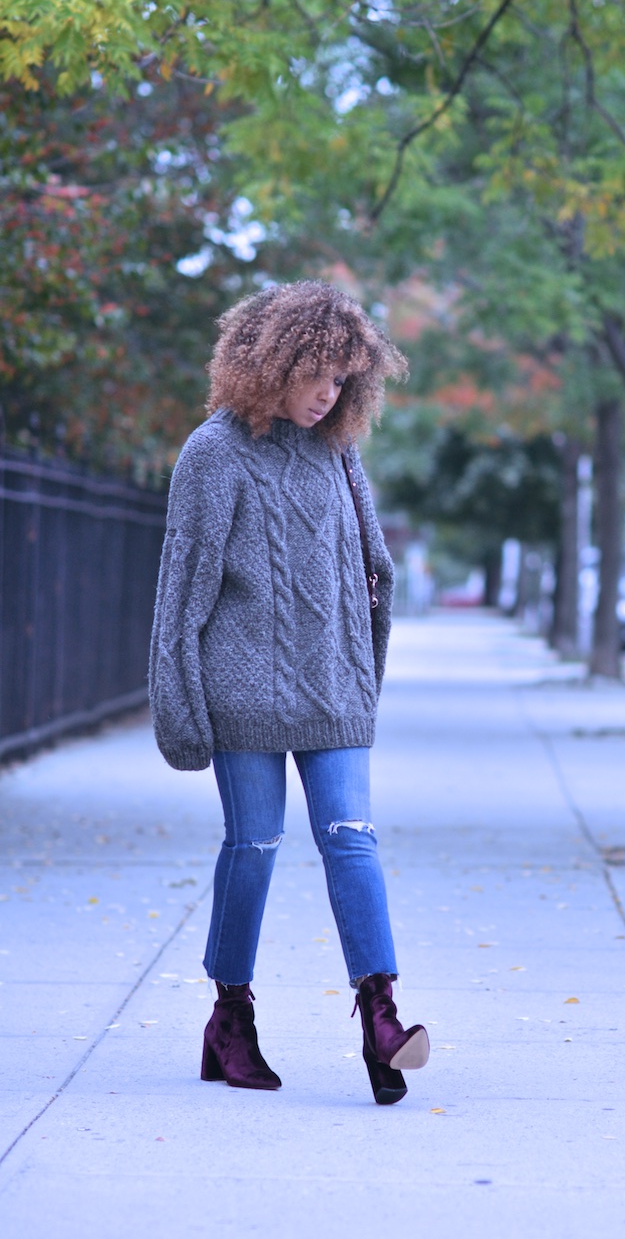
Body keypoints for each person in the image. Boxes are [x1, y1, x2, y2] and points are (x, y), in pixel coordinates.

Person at [148, 279, 429, 1104]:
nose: (327, 393)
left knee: (352, 838)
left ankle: (382, 1016)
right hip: (243, 695)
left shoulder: (341, 456)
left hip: (333, 693)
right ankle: (230, 1016)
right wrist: (180, 707)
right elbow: (182, 594)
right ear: (273, 362)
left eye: (344, 379)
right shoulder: (215, 453)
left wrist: (361, 676)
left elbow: (375, 575)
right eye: (317, 374)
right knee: (257, 846)